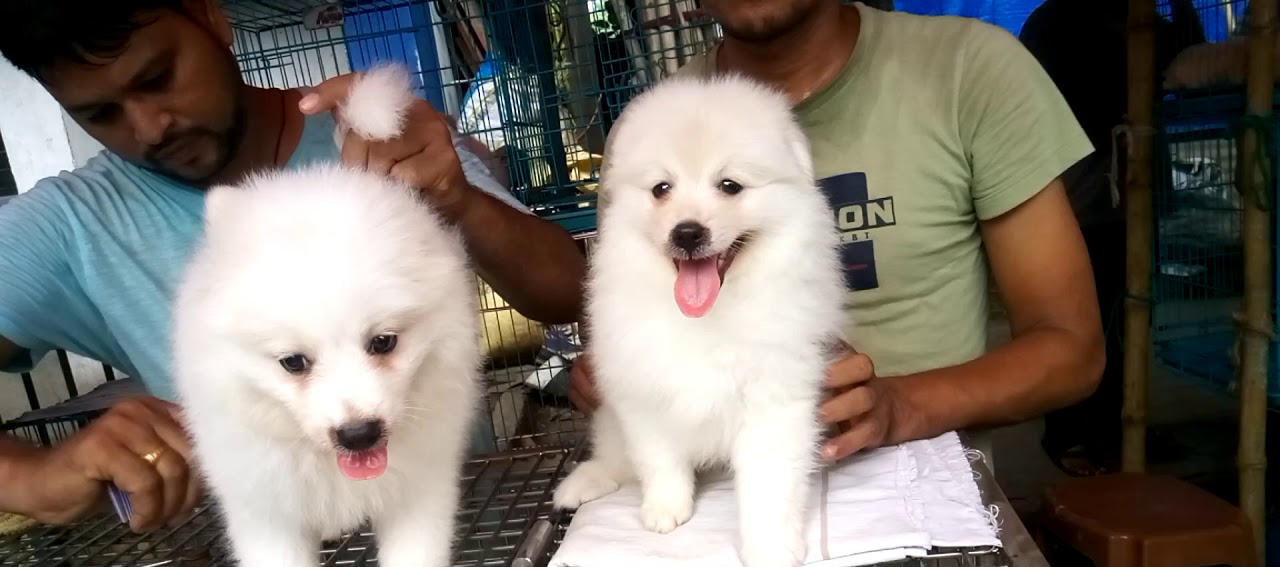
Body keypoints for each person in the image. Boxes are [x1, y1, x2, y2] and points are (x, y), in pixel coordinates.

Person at [0, 0, 587, 532]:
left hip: (476, 565)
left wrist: (456, 200)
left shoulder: (372, 141)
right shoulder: (64, 227)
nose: (150, 126)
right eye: (100, 113)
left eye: (157, 79)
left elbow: (568, 293)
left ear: (211, 18)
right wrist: (31, 479)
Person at [569, 0, 1105, 470]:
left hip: (921, 514)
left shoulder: (969, 71)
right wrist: (618, 373)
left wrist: (901, 406)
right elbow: (626, 308)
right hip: (704, 514)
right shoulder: (650, 133)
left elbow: (1072, 351)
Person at [1020, 0, 1205, 475]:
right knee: (1071, 318)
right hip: (1076, 188)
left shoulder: (1140, 20)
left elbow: (1187, 54)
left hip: (1126, 192)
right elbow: (1079, 96)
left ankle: (1120, 428)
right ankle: (1071, 433)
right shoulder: (1056, 22)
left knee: (1123, 314)